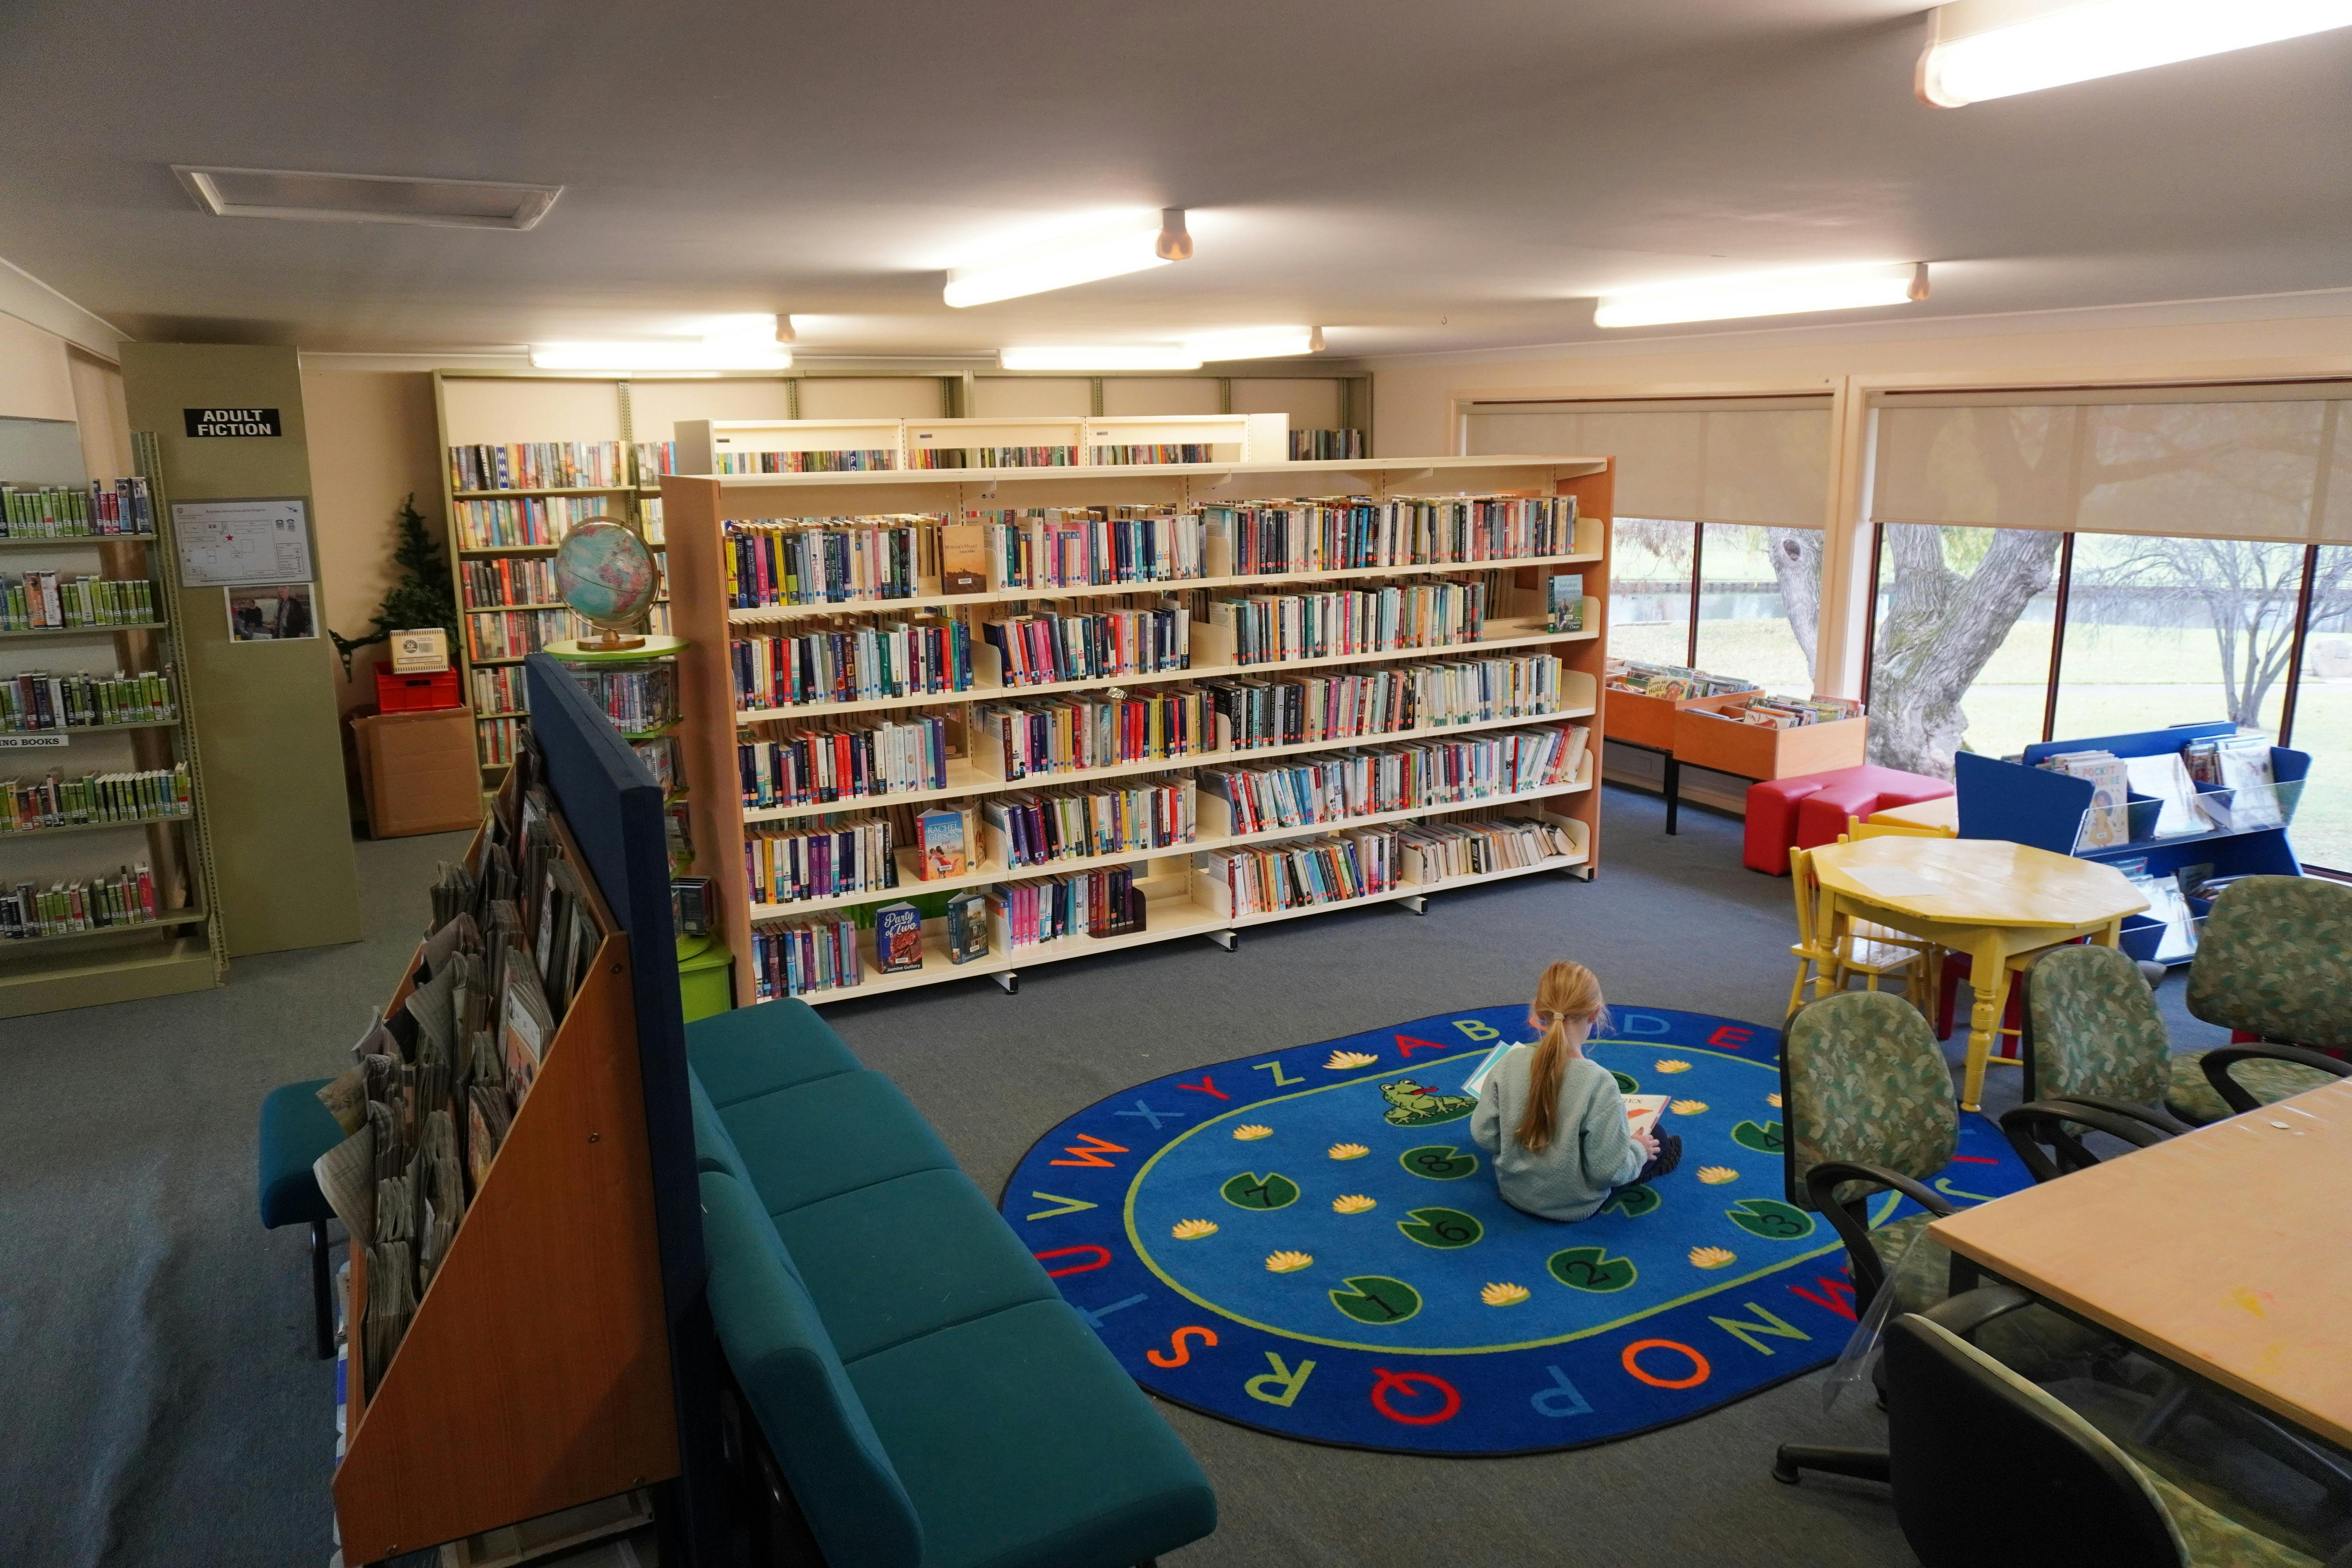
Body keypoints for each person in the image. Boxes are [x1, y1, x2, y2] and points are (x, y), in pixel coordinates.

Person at [1469, 960, 1682, 1221]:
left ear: (1538, 1011)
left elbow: (1485, 1137)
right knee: (1656, 1136)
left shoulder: (1509, 1062)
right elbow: (1608, 1172)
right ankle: (1645, 1163)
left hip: (1514, 1192)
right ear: (1594, 1014)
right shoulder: (1600, 1083)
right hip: (1573, 1205)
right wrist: (1637, 1150)